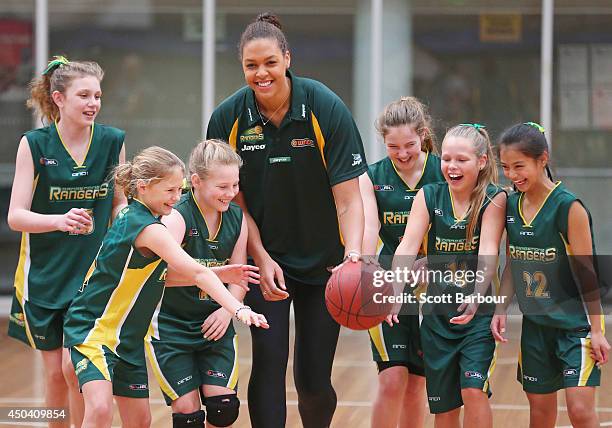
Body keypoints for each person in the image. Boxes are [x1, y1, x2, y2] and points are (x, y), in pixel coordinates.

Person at [206, 12, 366, 428]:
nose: (261, 74)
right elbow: (233, 203)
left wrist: (352, 257)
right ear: (242, 66)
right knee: (269, 365)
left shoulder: (324, 107)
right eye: (251, 65)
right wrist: (259, 257)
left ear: (287, 59)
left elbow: (349, 199)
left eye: (270, 63)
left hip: (324, 263)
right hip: (266, 261)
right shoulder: (228, 119)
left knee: (313, 380)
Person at [63, 146, 268, 428]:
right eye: (170, 191)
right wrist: (238, 307)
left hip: (127, 337)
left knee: (140, 422)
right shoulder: (150, 229)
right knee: (99, 409)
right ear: (144, 188)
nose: (177, 197)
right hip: (96, 328)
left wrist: (222, 273)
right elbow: (195, 271)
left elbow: (168, 274)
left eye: (178, 189)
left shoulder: (142, 216)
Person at [7, 55, 127, 428]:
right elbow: (15, 216)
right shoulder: (35, 145)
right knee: (56, 376)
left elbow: (120, 201)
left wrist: (128, 218)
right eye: (84, 95)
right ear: (59, 99)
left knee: (73, 369)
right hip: (43, 277)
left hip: (91, 278)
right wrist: (59, 220)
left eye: (98, 96)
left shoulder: (112, 142)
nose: (94, 103)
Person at [491, 122, 610, 428]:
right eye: (506, 167)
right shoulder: (511, 204)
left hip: (574, 328)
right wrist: (501, 307)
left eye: (519, 166)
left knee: (580, 411)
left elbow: (587, 274)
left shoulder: (568, 207)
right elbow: (512, 265)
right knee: (540, 416)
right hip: (536, 329)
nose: (512, 175)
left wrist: (597, 330)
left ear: (542, 159)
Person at [392, 124, 506, 428]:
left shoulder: (494, 198)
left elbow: (488, 253)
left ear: (481, 162)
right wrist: (394, 293)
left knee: (472, 390)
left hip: (478, 317)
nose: (451, 166)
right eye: (446, 159)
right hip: (437, 319)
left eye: (461, 160)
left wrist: (475, 298)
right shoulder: (429, 195)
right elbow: (407, 245)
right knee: (444, 410)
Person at [146, 140, 255, 428]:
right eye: (222, 186)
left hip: (214, 325)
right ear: (195, 181)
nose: (231, 193)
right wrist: (219, 276)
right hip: (171, 327)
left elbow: (240, 275)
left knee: (224, 410)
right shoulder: (176, 217)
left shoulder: (237, 218)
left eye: (235, 185)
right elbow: (158, 277)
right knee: (189, 417)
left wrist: (227, 311)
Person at [359, 96, 443, 428]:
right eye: (393, 147)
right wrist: (364, 266)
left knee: (417, 384)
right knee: (392, 379)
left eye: (409, 144)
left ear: (423, 135)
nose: (403, 153)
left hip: (434, 286)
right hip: (389, 283)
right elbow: (368, 227)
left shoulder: (444, 170)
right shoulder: (373, 176)